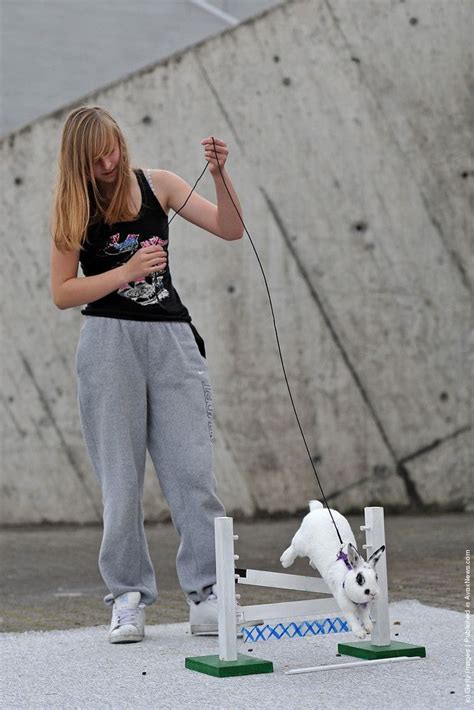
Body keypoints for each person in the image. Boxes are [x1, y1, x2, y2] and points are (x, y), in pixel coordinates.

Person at [49, 105, 244, 644]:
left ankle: (208, 593)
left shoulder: (160, 185)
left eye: (111, 149)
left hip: (172, 340)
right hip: (108, 342)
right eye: (94, 159)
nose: (107, 162)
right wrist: (125, 272)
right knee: (120, 479)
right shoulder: (73, 207)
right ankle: (128, 596)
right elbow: (63, 292)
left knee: (192, 471)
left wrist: (222, 174)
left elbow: (230, 228)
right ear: (78, 163)